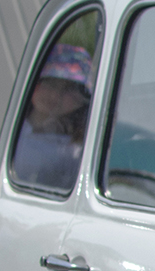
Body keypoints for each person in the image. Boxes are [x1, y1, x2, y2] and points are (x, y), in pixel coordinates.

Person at [12, 44, 95, 194]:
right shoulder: (13, 130)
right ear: (33, 85)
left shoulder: (81, 145)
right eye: (50, 84)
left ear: (82, 99)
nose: (55, 96)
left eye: (69, 89)